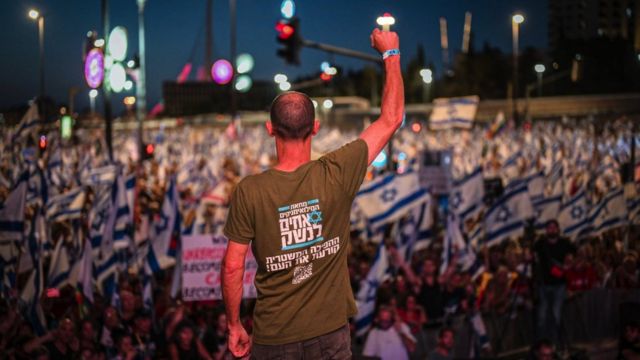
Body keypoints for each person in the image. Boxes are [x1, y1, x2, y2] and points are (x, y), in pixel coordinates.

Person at [222, 27, 404, 358]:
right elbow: (391, 118)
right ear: (315, 128)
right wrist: (390, 53)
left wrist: (234, 324)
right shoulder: (338, 171)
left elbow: (233, 266)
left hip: (274, 337)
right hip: (330, 335)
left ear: (269, 129)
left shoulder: (250, 190)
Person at [533, 220, 575, 343]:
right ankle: (541, 344)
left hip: (559, 284)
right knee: (542, 316)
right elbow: (531, 255)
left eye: (553, 227)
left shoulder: (564, 243)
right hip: (544, 284)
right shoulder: (540, 243)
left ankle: (554, 344)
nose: (551, 230)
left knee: (556, 314)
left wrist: (569, 260)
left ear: (558, 229)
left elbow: (574, 254)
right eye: (549, 228)